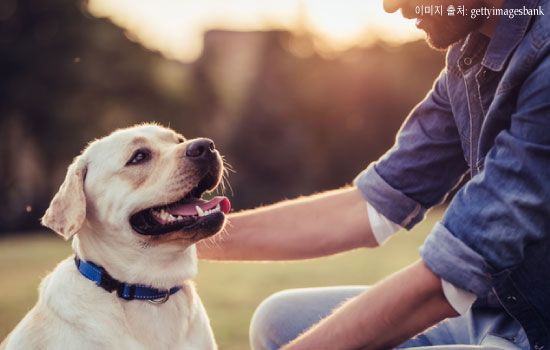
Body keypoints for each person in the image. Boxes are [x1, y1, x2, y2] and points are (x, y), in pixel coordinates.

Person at [198, 0, 550, 348]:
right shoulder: (468, 57)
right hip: (494, 317)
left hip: (537, 332)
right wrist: (189, 238)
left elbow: (451, 276)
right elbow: (371, 205)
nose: (391, 6)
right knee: (277, 321)